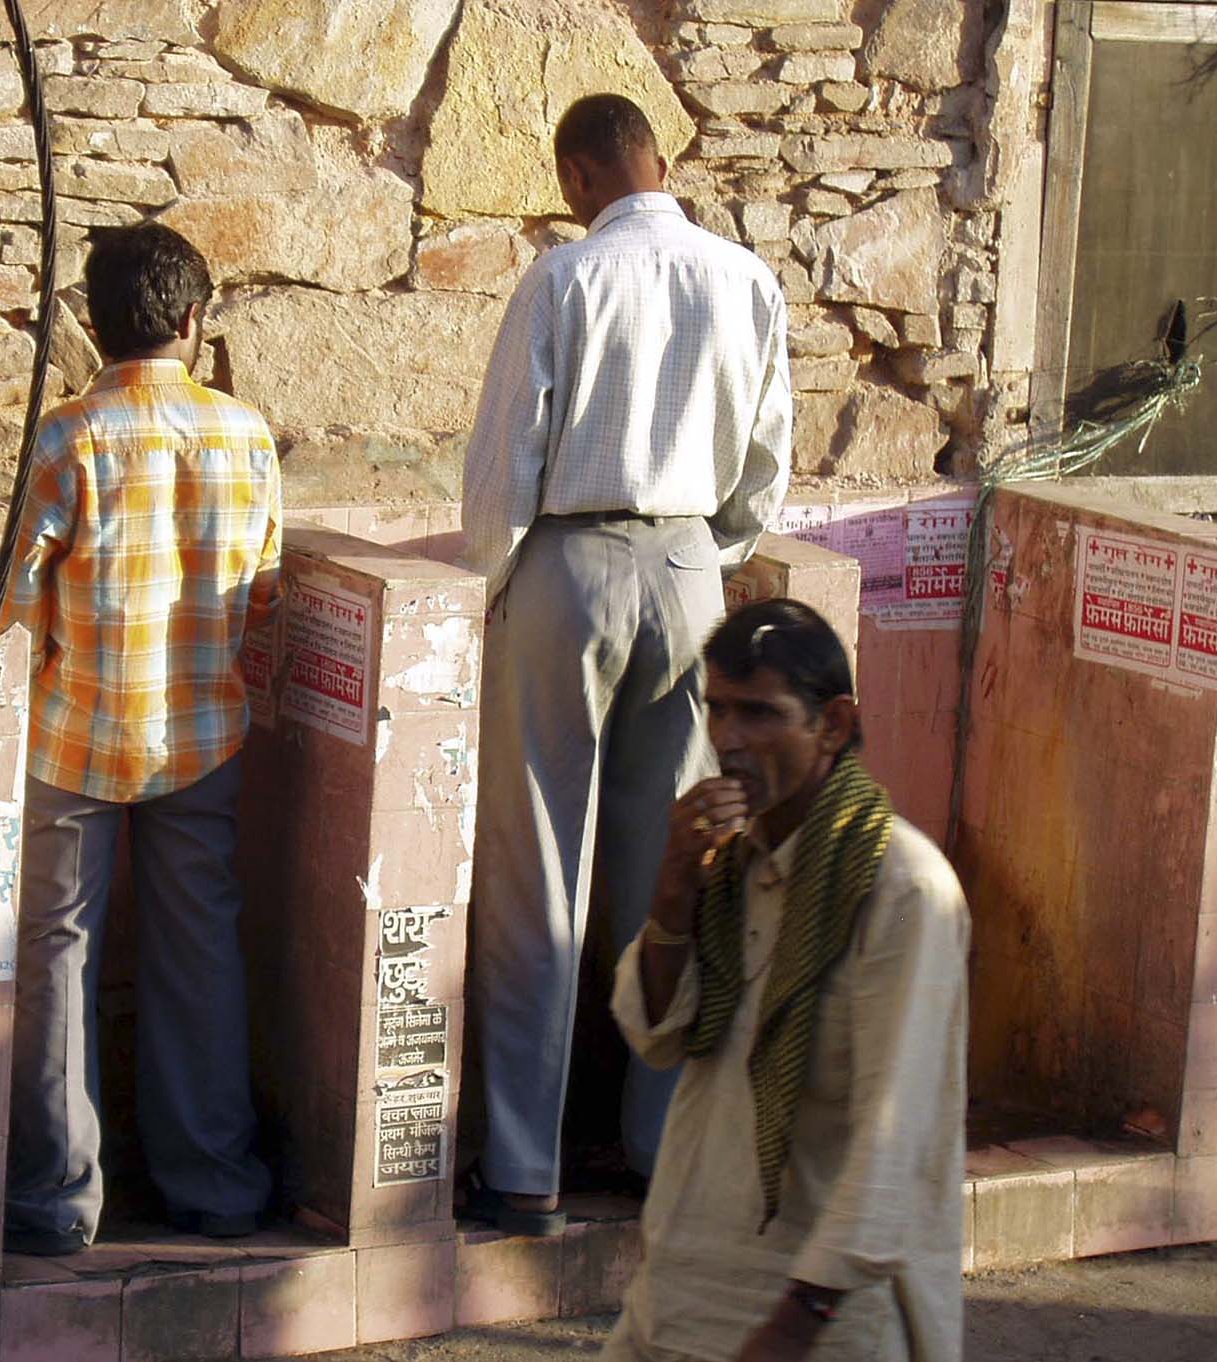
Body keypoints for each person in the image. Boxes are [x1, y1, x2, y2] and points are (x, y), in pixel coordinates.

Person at [460, 93, 792, 1232]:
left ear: (578, 176)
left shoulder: (564, 279)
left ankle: (521, 1170)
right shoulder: (744, 280)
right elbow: (765, 459)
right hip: (693, 568)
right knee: (675, 867)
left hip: (571, 563)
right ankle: (657, 1148)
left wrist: (497, 581)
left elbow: (508, 462)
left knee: (535, 868)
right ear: (659, 157)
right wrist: (707, 552)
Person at [3, 223, 281, 1255]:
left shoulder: (65, 436)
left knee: (57, 954)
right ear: (194, 322)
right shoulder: (245, 433)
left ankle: (55, 1200)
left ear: (92, 321)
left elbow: (15, 603)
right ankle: (213, 1182)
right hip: (201, 728)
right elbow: (260, 590)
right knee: (199, 951)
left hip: (72, 734)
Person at [604, 599, 969, 1362]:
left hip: (822, 1320)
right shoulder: (728, 864)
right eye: (719, 712)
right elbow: (658, 1036)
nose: (729, 742)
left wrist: (798, 1320)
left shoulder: (903, 889)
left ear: (832, 725)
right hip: (680, 1290)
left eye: (761, 716)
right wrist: (673, 888)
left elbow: (895, 1130)